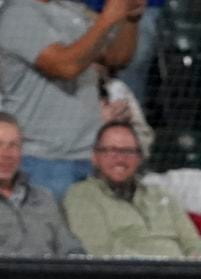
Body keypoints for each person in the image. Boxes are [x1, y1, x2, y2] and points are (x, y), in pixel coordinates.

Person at [0, 0, 146, 201]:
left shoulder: (73, 10)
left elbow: (117, 57)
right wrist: (109, 17)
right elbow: (65, 66)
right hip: (41, 160)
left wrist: (130, 16)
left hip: (88, 155)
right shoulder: (18, 14)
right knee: (46, 231)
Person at [63, 121, 201, 258]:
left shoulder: (162, 194)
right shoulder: (81, 195)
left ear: (139, 158)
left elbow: (193, 242)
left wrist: (198, 259)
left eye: (128, 151)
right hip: (131, 278)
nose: (120, 159)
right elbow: (99, 251)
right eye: (111, 150)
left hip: (182, 276)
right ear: (95, 157)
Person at [0, 112, 84, 257]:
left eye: (13, 145)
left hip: (48, 277)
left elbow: (70, 248)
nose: (6, 154)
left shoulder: (44, 198)